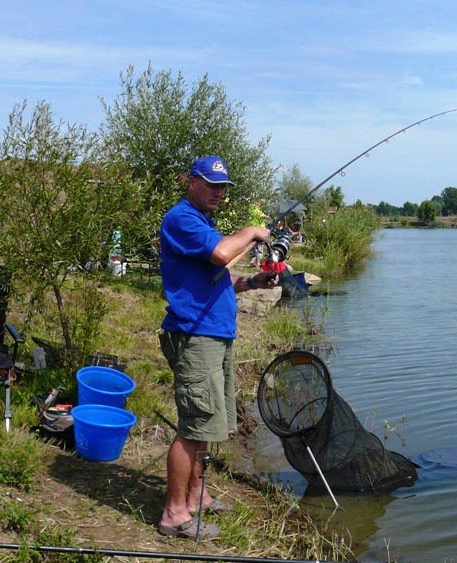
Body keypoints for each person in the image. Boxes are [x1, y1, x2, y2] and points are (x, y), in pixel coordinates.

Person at [156, 155, 278, 539]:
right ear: (190, 181)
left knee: (209, 423)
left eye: (222, 187)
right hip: (195, 336)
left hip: (216, 334)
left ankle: (198, 495)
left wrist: (254, 283)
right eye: (211, 184)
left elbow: (219, 276)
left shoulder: (204, 224)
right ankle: (174, 515)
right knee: (193, 426)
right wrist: (251, 230)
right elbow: (223, 253)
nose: (217, 192)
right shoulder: (181, 219)